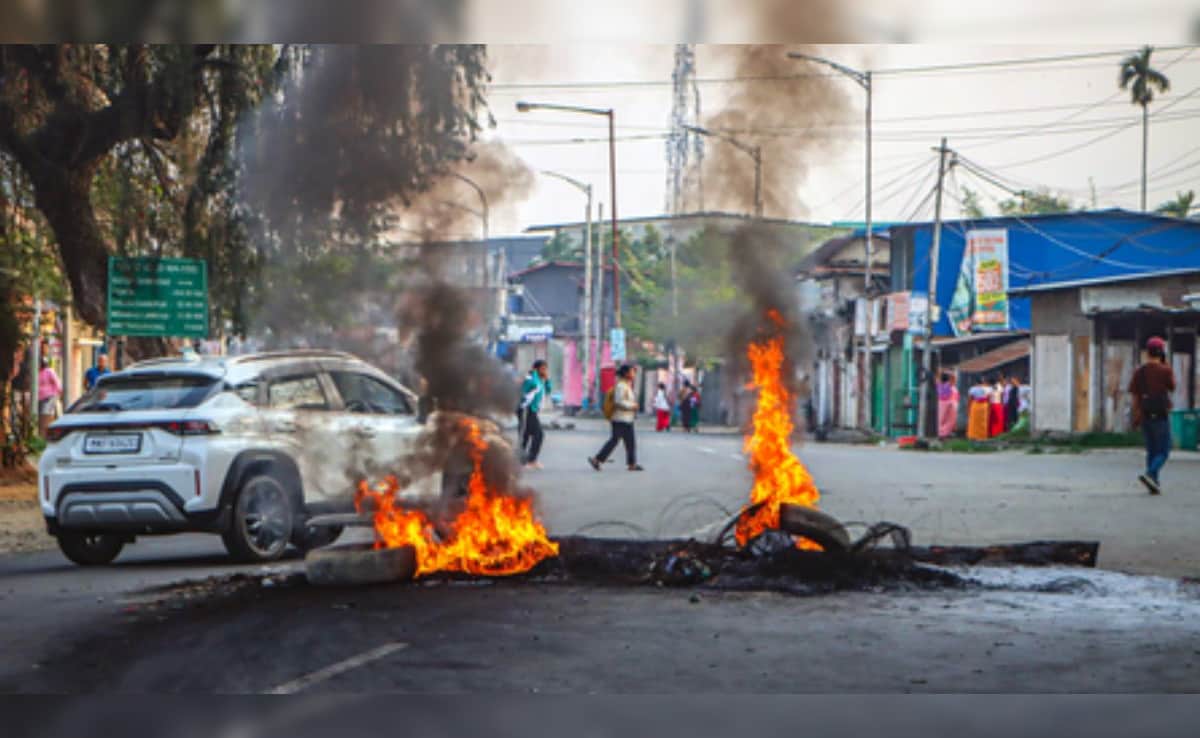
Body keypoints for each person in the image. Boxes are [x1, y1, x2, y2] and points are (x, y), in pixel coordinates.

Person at [1129, 336, 1176, 495]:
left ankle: (1153, 483)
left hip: (1145, 414)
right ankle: (1150, 473)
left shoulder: (1139, 371)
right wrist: (1165, 364)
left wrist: (1135, 415)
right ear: (1162, 352)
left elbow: (1135, 395)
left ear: (1147, 352)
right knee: (1164, 450)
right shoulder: (1165, 370)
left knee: (1152, 450)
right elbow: (1172, 387)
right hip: (1161, 414)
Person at [589, 364, 643, 471]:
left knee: (630, 442)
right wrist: (633, 406)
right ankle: (597, 459)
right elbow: (618, 402)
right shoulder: (621, 386)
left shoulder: (627, 385)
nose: (634, 374)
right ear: (626, 373)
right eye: (632, 371)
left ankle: (632, 464)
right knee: (615, 440)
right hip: (620, 419)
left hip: (626, 418)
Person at [517, 359, 551, 470]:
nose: (545, 370)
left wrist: (547, 380)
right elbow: (522, 388)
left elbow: (548, 390)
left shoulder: (541, 379)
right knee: (538, 434)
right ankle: (530, 460)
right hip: (526, 409)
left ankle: (521, 461)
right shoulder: (531, 377)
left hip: (532, 410)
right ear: (536, 368)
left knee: (526, 435)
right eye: (543, 368)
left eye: (546, 368)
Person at [37, 356, 62, 438]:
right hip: (39, 398)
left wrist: (57, 394)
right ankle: (45, 433)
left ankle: (43, 435)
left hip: (49, 396)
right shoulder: (37, 372)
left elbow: (57, 383)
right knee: (41, 416)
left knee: (45, 415)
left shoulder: (49, 371)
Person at [936, 371, 960, 439]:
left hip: (940, 403)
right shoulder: (950, 385)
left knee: (940, 419)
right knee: (951, 420)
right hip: (951, 403)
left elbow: (937, 377)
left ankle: (940, 432)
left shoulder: (938, 385)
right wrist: (951, 373)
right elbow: (954, 378)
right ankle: (944, 433)